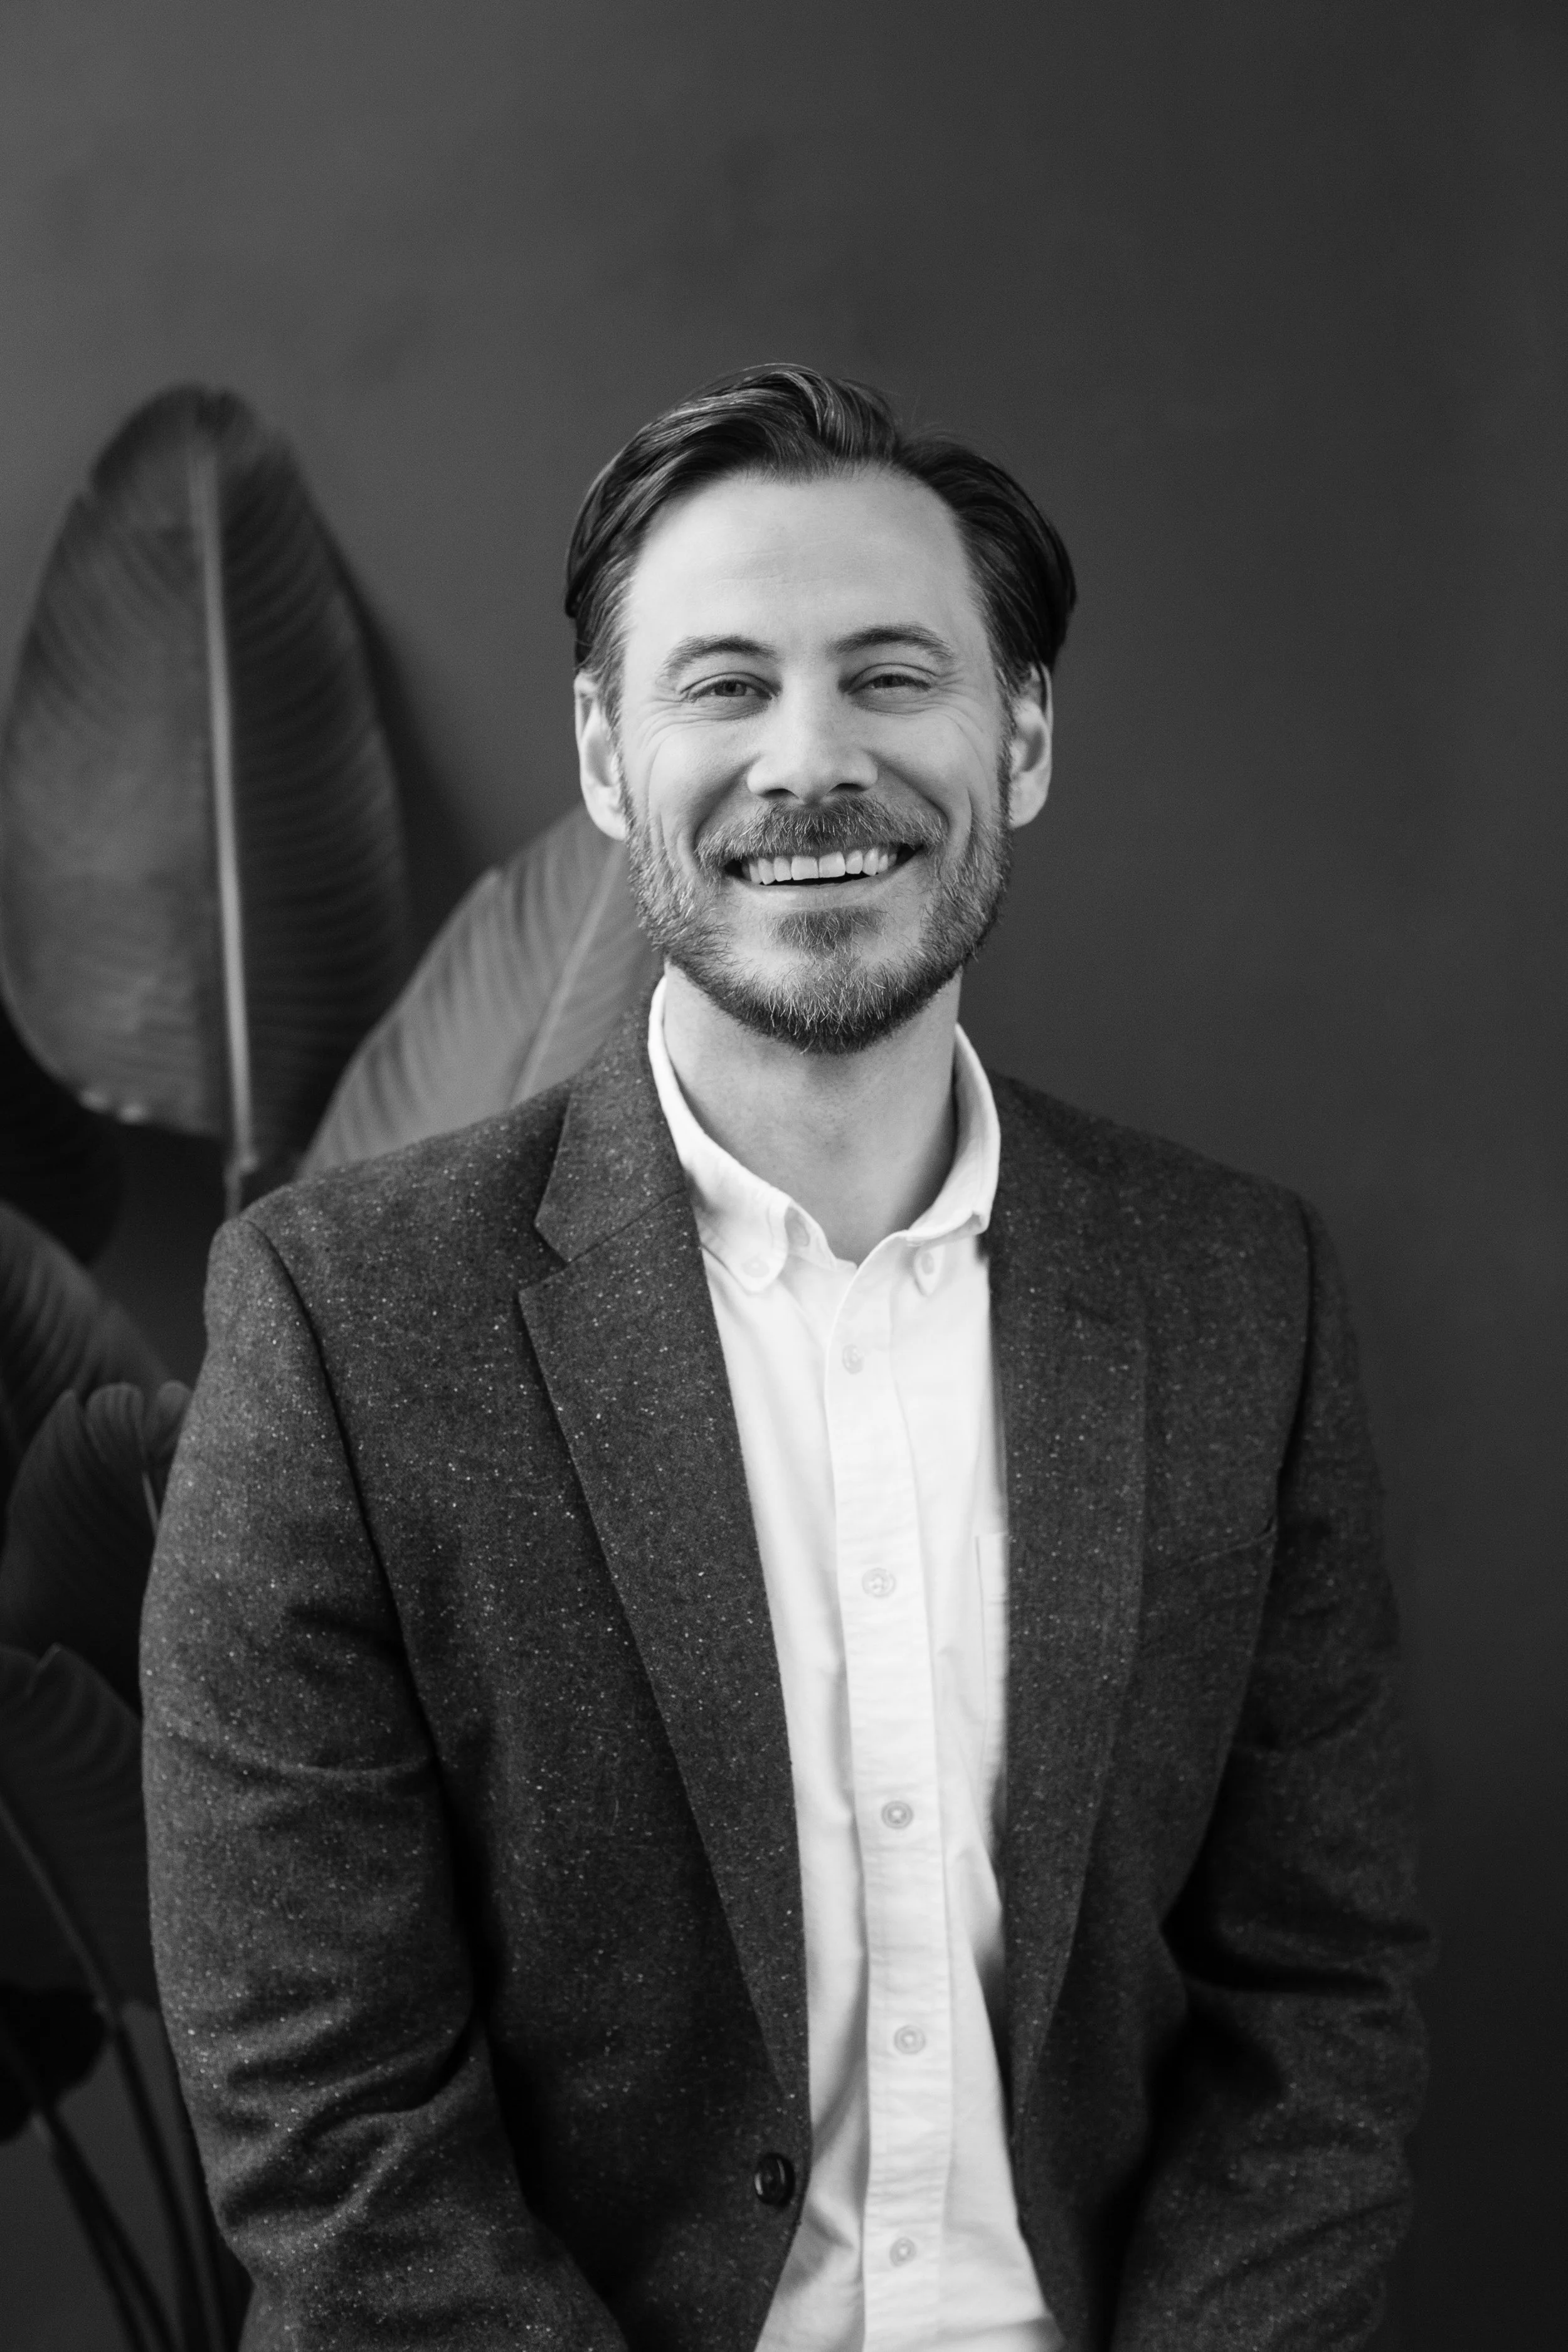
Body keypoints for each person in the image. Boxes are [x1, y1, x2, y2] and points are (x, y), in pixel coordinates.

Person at [143, 364, 1429, 2352]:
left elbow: (1322, 2000)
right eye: (723, 684)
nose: (806, 759)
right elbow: (328, 2128)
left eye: (890, 675)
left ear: (1020, 737)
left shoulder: (1240, 1295)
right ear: (602, 753)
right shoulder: (338, 1323)